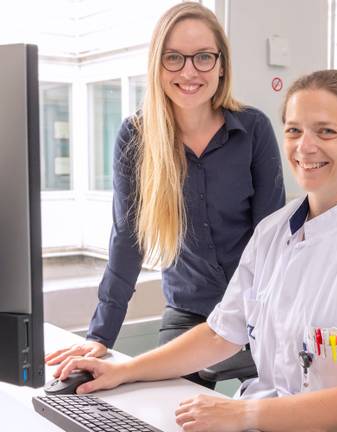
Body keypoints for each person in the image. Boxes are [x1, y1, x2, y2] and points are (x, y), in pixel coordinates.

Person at [52, 69, 337, 432]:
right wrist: (124, 370)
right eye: (294, 130)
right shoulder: (273, 234)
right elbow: (221, 334)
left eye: (327, 131)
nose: (305, 146)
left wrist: (242, 413)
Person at [45, 2, 285, 388]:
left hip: (260, 307)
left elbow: (270, 238)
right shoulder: (135, 138)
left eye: (203, 57)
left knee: (274, 407)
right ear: (157, 65)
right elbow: (128, 240)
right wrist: (99, 337)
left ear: (221, 65)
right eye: (174, 58)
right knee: (167, 408)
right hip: (190, 311)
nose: (189, 72)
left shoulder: (253, 129)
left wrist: (259, 315)